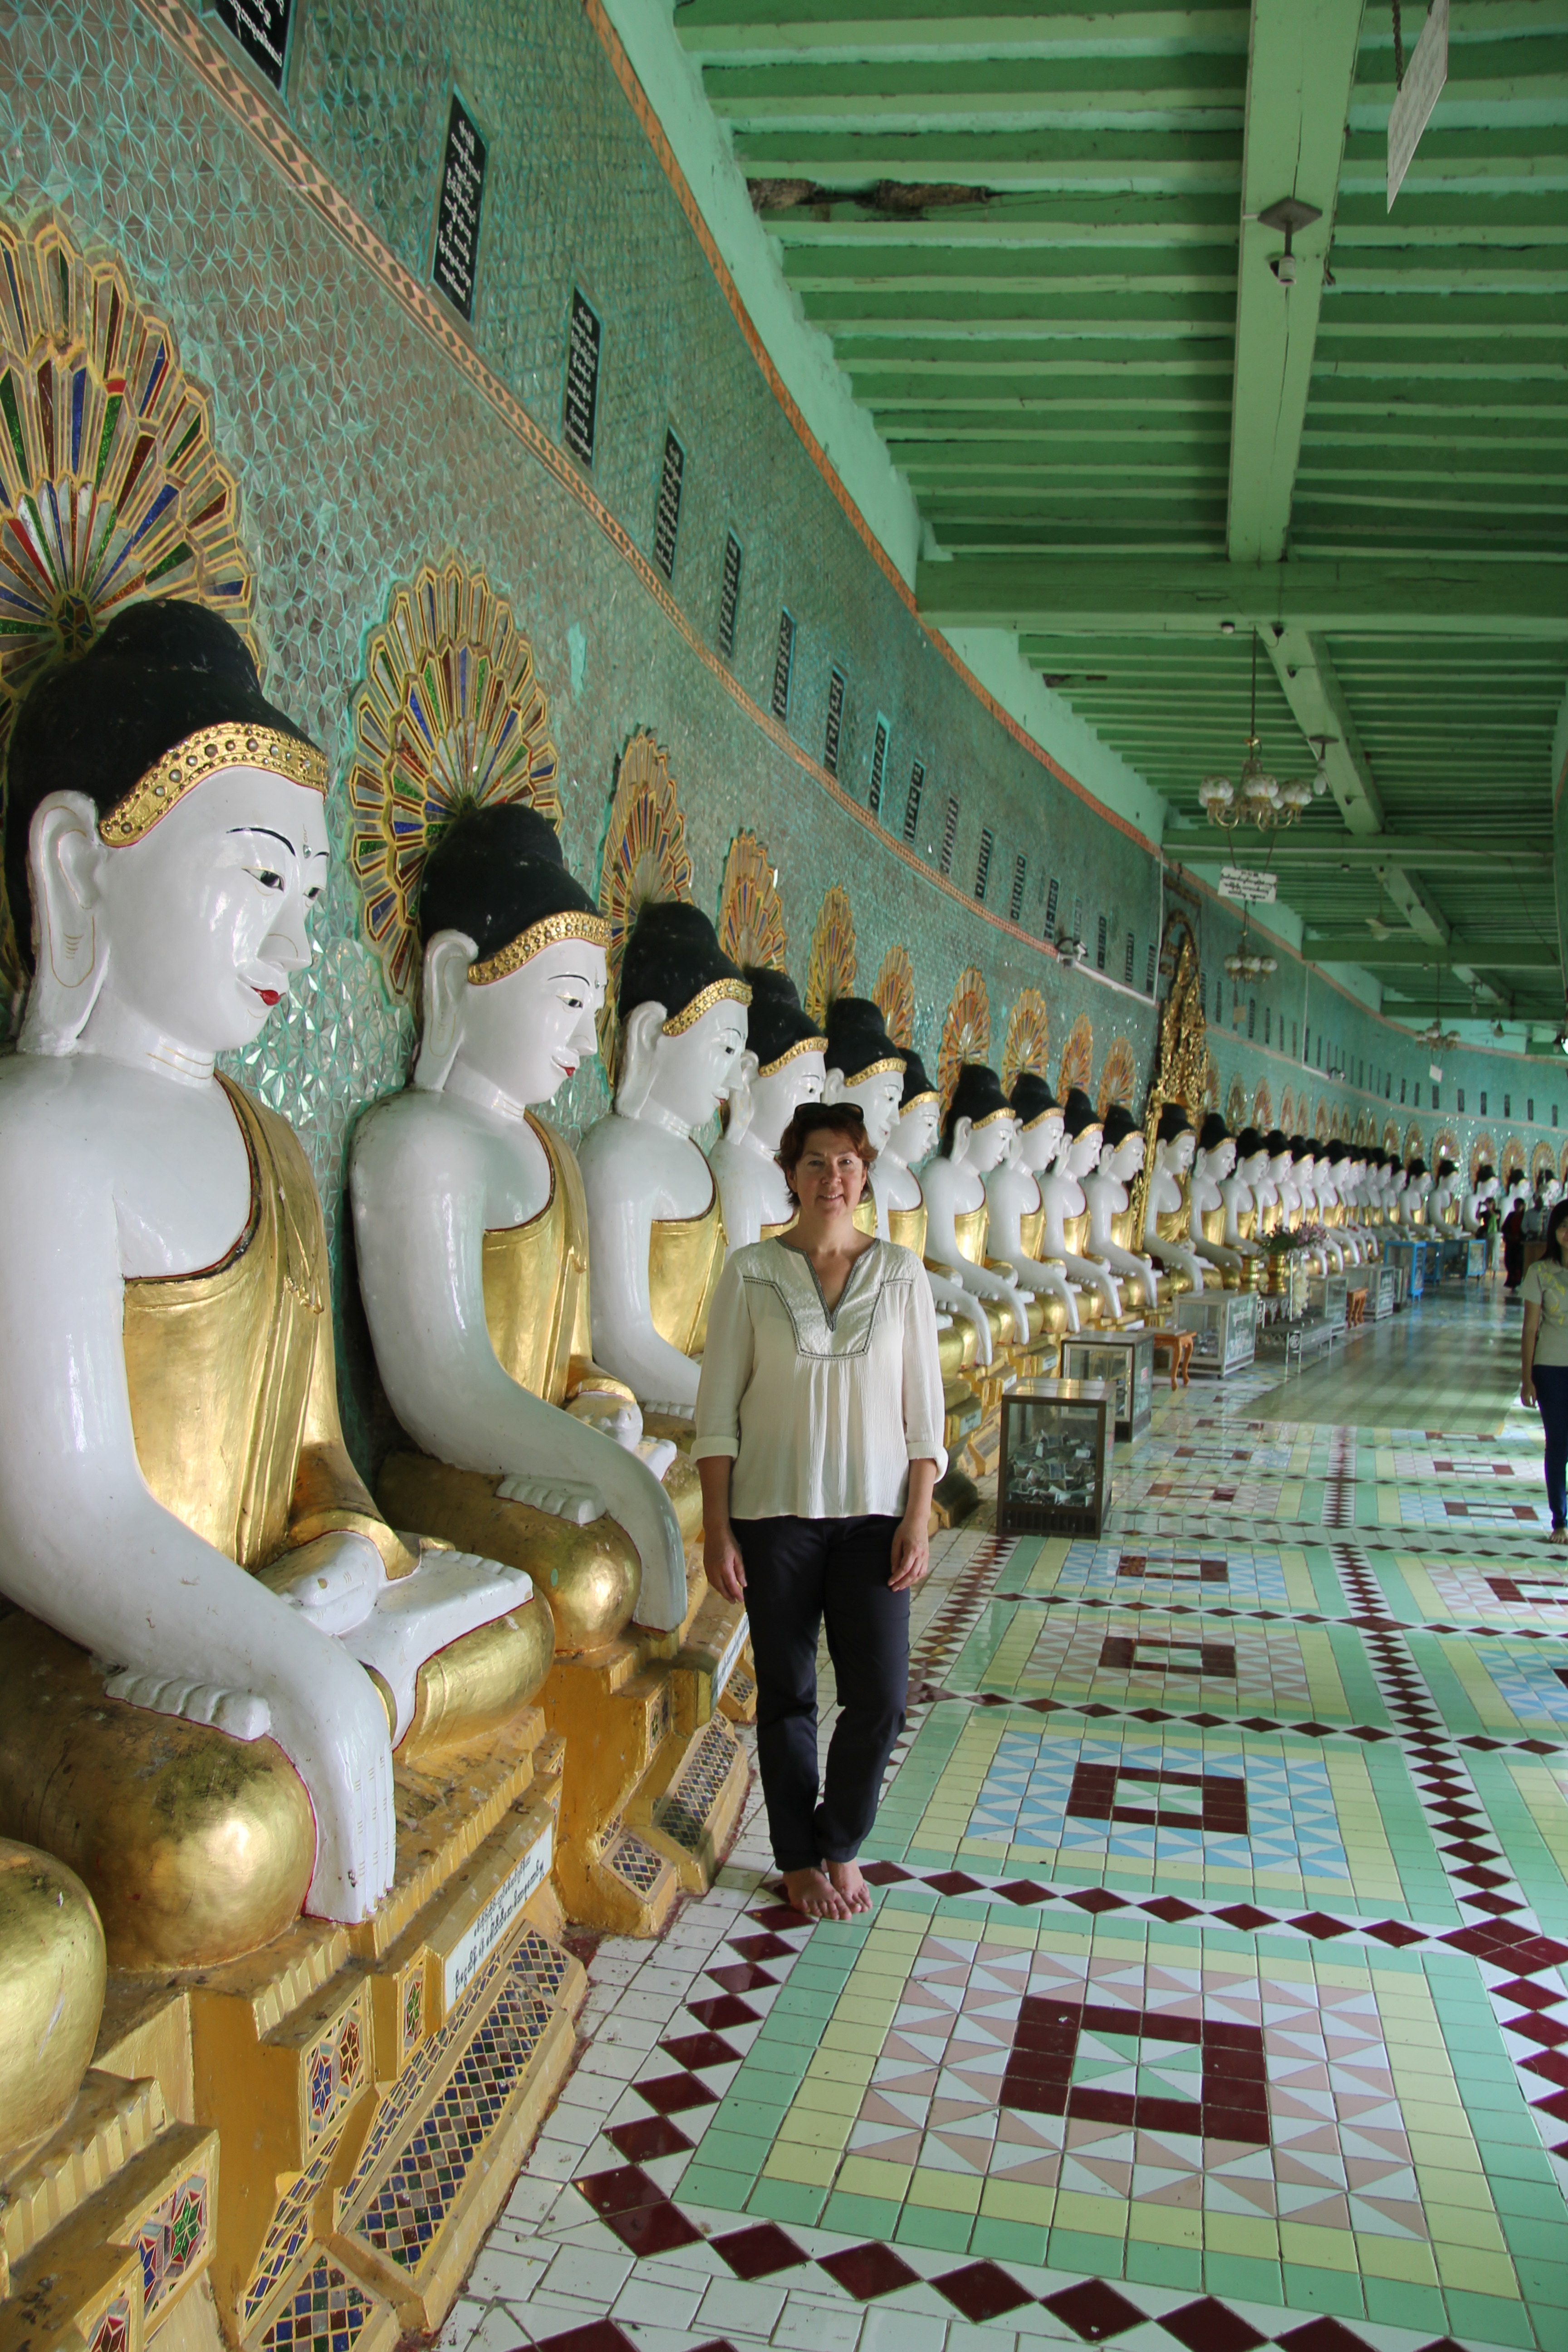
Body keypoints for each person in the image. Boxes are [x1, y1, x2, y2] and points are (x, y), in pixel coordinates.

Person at [693, 1102, 946, 1920]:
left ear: (864, 1172)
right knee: (788, 1695)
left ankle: (840, 1839)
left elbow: (925, 1417)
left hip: (876, 1521)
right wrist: (718, 1527)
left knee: (881, 1697)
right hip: (775, 1518)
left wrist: (918, 1517)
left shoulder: (901, 1273)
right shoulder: (750, 1271)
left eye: (845, 1162)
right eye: (814, 1162)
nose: (831, 1177)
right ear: (790, 1174)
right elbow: (717, 1413)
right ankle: (798, 1860)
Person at [1520, 1200, 1568, 1547]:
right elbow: (1530, 1329)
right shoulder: (1540, 1272)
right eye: (1564, 1227)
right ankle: (1560, 1519)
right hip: (1550, 1368)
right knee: (1558, 1444)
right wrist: (1527, 1379)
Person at [1503, 1196, 1526, 1298]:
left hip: (1520, 1243)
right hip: (1511, 1242)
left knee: (1518, 1263)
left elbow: (1525, 1229)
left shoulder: (1524, 1217)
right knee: (1509, 1261)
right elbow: (1505, 1227)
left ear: (1523, 1206)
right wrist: (1508, 1236)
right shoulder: (1511, 1215)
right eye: (1516, 1205)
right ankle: (1511, 1281)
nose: (1517, 1207)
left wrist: (1520, 1237)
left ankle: (1518, 1282)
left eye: (1519, 1205)